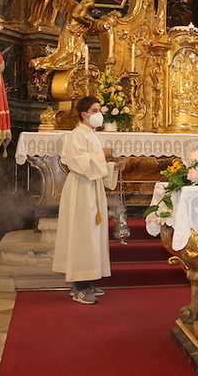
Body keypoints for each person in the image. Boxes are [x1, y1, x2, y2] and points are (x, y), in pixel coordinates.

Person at [52, 96, 126, 304]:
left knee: (91, 235)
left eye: (99, 110)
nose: (99, 114)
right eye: (95, 111)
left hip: (92, 188)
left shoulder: (92, 134)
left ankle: (86, 281)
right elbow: (77, 163)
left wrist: (112, 167)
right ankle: (79, 287)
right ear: (84, 114)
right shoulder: (77, 134)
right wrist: (101, 155)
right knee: (82, 235)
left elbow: (94, 164)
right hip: (80, 189)